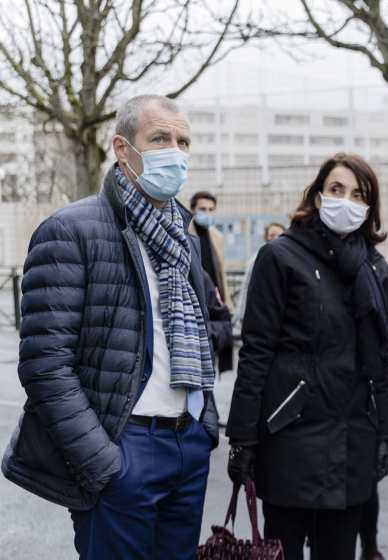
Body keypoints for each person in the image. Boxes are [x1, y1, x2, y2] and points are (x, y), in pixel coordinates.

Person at [2, 95, 220, 559]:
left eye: (183, 142)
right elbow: (45, 366)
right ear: (123, 148)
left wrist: (206, 429)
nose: (176, 152)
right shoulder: (70, 230)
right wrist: (105, 464)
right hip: (124, 450)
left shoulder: (184, 237)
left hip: (187, 446)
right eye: (160, 139)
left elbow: (198, 336)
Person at [226, 153, 388, 560]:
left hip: (354, 436)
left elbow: (380, 353)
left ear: (369, 208)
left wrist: (387, 429)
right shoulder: (280, 256)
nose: (346, 201)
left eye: (359, 195)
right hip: (290, 436)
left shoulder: (374, 268)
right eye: (336, 189)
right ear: (318, 197)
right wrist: (243, 437)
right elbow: (256, 351)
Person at [189, 190, 233, 374]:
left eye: (211, 209)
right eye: (202, 209)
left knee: (211, 358)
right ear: (192, 210)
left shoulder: (216, 236)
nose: (207, 213)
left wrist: (227, 304)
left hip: (213, 304)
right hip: (194, 302)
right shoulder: (184, 232)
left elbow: (221, 273)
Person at [233, 220, 286, 325]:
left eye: (279, 235)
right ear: (266, 237)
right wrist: (242, 314)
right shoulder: (257, 258)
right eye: (272, 235)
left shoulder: (289, 258)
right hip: (262, 313)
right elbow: (246, 285)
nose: (275, 238)